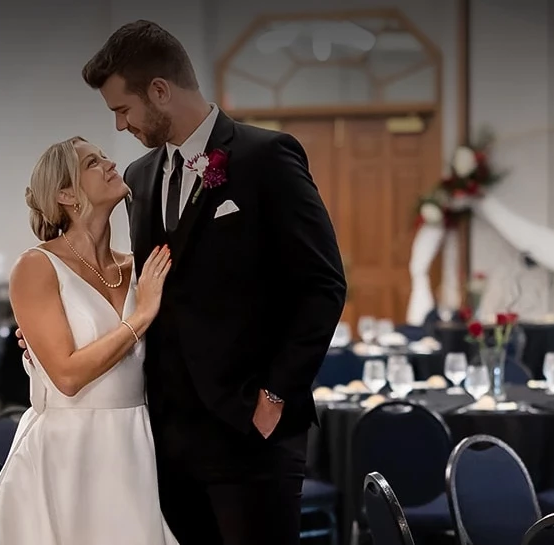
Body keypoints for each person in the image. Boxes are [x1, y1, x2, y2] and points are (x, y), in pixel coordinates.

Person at [84, 20, 347, 545]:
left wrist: (274, 395)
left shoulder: (266, 157)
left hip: (250, 429)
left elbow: (323, 284)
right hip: (166, 435)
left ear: (159, 90)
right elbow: (139, 283)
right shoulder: (137, 177)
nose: (119, 126)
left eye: (123, 109)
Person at [0, 136, 180, 544]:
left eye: (104, 157)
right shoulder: (36, 266)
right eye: (92, 163)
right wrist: (142, 316)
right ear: (66, 193)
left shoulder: (140, 268)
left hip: (135, 443)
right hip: (67, 451)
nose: (109, 164)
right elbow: (66, 376)